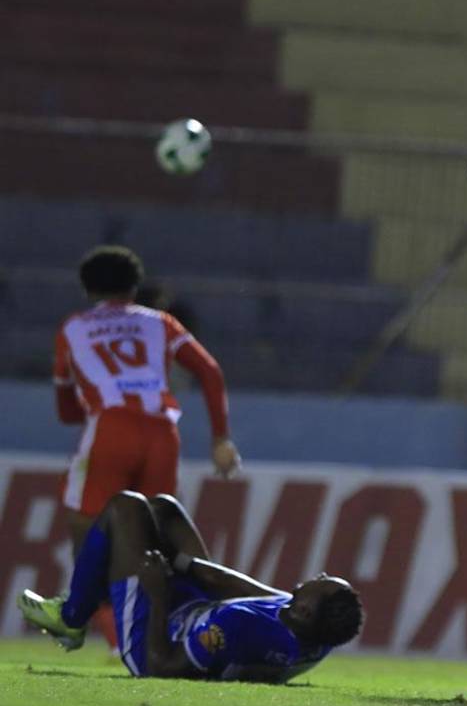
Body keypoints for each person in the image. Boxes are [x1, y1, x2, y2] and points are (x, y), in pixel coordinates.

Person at [55, 246, 240, 646]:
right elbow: (209, 371)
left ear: (88, 289)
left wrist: (86, 408)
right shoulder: (161, 323)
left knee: (86, 530)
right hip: (161, 433)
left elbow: (67, 409)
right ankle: (168, 628)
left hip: (110, 428)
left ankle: (81, 622)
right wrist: (221, 437)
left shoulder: (74, 328)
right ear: (134, 286)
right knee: (154, 536)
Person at [18, 491, 363, 681]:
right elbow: (233, 586)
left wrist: (157, 592)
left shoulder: (238, 625)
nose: (317, 576)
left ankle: (71, 618)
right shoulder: (318, 631)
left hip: (152, 636)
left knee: (126, 507)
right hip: (193, 610)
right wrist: (182, 563)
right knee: (163, 510)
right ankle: (107, 582)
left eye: (322, 583)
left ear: (305, 610)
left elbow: (161, 668)